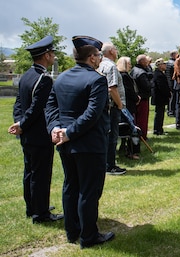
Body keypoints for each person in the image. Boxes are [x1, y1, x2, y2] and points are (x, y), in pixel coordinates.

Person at [45, 35, 114, 248]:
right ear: (92, 58)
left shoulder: (62, 77)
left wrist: (56, 128)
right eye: (99, 56)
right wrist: (67, 132)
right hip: (89, 144)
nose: (100, 59)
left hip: (66, 142)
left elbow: (50, 107)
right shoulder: (97, 79)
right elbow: (92, 114)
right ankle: (89, 236)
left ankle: (72, 231)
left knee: (70, 186)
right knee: (89, 191)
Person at [8, 35, 64, 224]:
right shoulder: (44, 79)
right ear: (46, 56)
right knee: (40, 174)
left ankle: (32, 207)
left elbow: (18, 104)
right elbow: (37, 108)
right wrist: (22, 124)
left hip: (27, 134)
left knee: (30, 172)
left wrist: (19, 123)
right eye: (52, 53)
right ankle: (41, 214)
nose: (54, 56)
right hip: (39, 134)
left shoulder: (26, 75)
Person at [98, 42, 126, 175]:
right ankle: (110, 165)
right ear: (110, 52)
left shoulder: (100, 64)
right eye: (115, 49)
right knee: (112, 136)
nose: (116, 51)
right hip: (112, 106)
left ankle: (104, 163)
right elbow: (112, 88)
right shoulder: (111, 66)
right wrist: (119, 104)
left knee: (105, 135)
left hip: (103, 106)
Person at [117, 56, 140, 160]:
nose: (131, 65)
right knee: (131, 127)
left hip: (125, 104)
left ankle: (123, 147)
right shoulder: (124, 76)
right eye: (129, 63)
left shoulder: (121, 75)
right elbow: (129, 91)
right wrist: (136, 98)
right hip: (128, 105)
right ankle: (131, 151)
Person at [130, 54, 152, 140]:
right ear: (142, 62)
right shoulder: (142, 73)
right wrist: (151, 81)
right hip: (142, 98)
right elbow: (147, 86)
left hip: (135, 97)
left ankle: (136, 134)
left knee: (136, 118)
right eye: (146, 61)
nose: (147, 63)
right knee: (142, 118)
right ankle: (142, 136)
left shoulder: (133, 70)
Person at [152, 58, 171, 135]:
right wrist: (168, 93)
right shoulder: (158, 74)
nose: (165, 65)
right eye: (164, 64)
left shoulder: (160, 73)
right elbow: (162, 87)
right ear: (160, 65)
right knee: (159, 114)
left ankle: (159, 129)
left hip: (160, 97)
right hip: (159, 97)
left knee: (160, 114)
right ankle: (158, 130)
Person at [166, 50, 178, 117]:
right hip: (172, 82)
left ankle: (170, 110)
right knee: (173, 98)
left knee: (171, 97)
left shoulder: (168, 62)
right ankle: (171, 111)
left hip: (169, 82)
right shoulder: (173, 63)